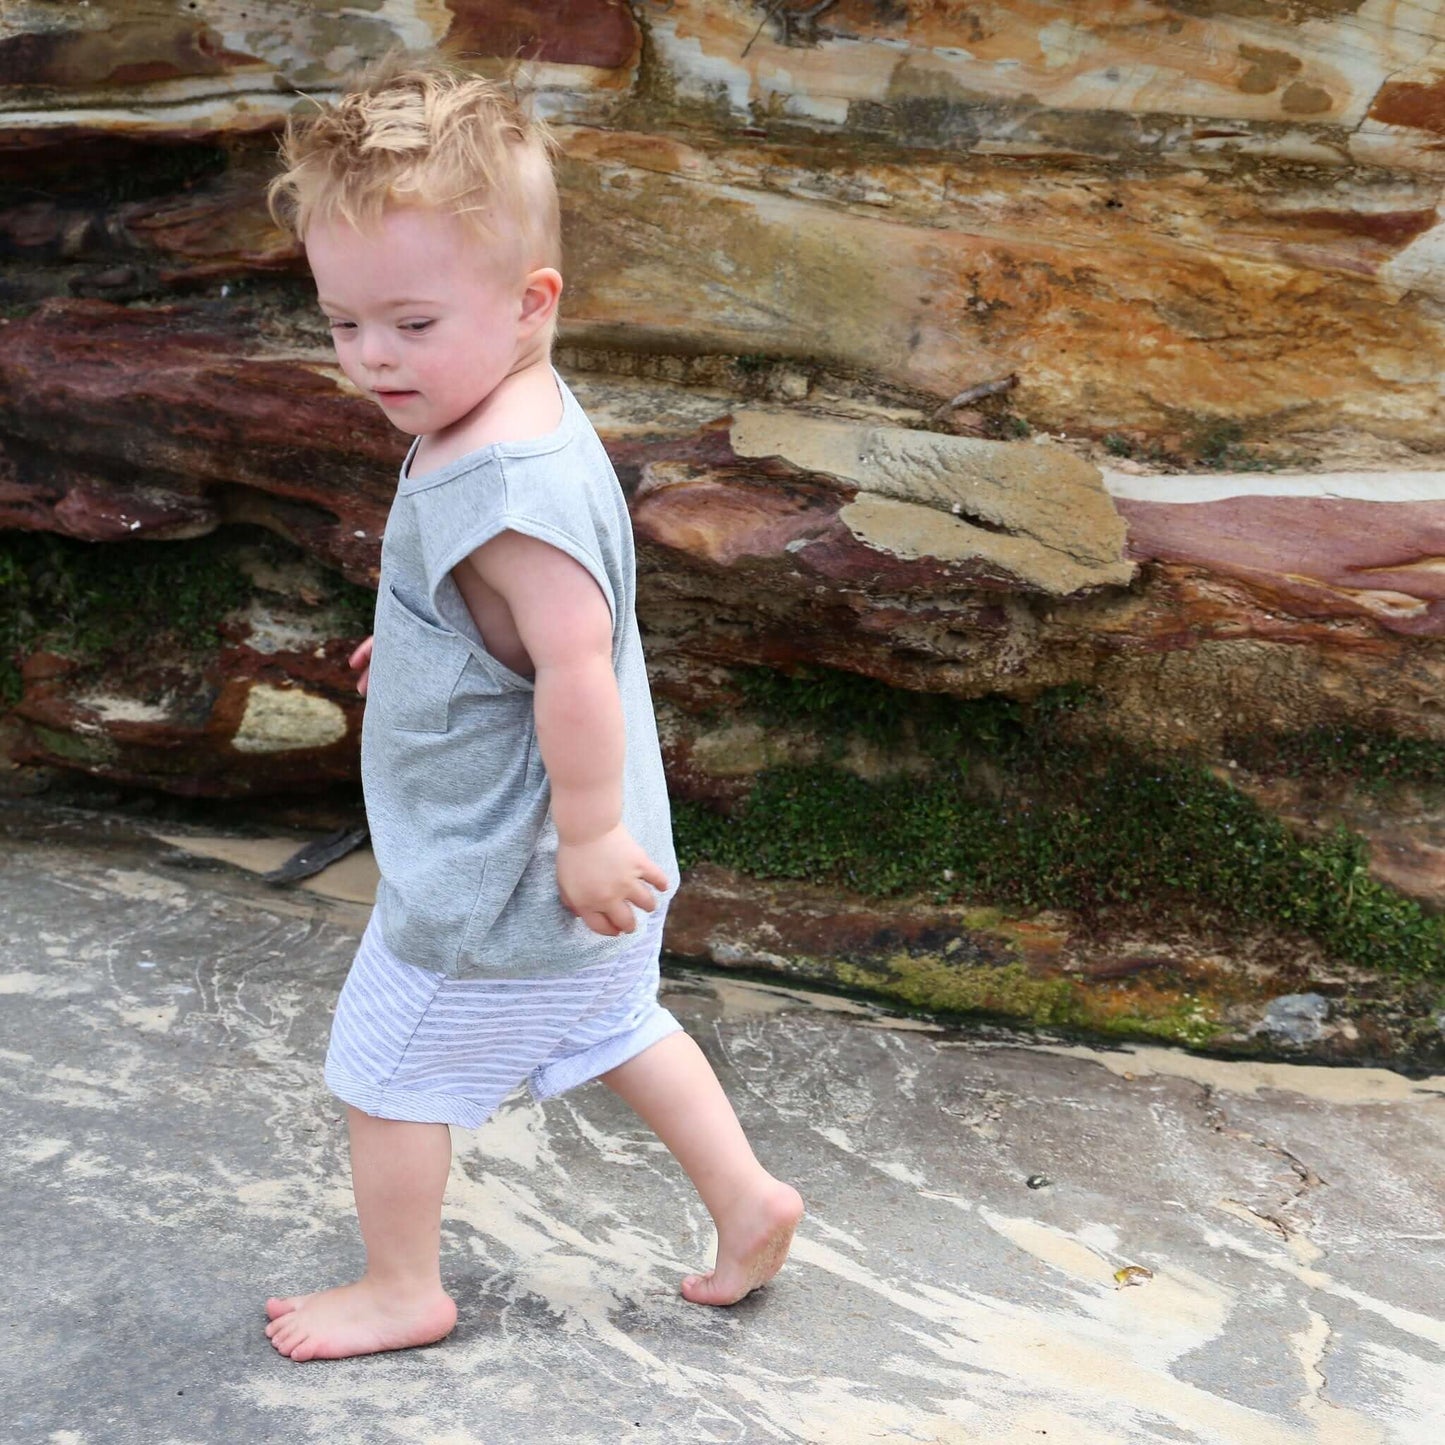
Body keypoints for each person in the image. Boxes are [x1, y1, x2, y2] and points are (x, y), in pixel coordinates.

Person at [260, 55, 803, 1363]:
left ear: (528, 301)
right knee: (613, 1020)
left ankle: (403, 1284)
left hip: (516, 881)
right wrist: (429, 648)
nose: (372, 356)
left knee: (382, 1072)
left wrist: (583, 836)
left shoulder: (500, 482)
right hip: (588, 882)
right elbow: (506, 631)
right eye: (343, 323)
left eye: (408, 322)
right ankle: (746, 1199)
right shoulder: (518, 408)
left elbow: (571, 656)